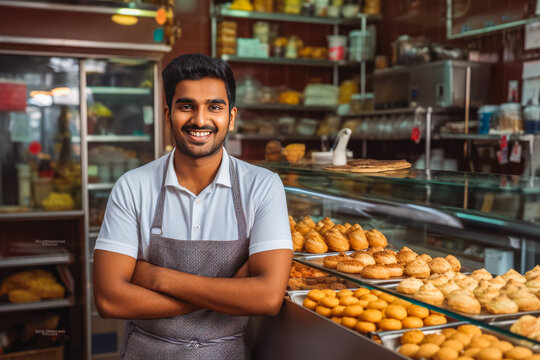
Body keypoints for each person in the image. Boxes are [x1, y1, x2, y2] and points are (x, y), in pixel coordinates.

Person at [93, 53, 293, 359]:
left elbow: (267, 298)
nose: (200, 120)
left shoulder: (262, 186)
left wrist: (159, 278)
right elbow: (109, 300)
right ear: (167, 113)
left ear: (232, 116)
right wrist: (227, 292)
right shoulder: (133, 186)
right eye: (186, 106)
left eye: (214, 107)